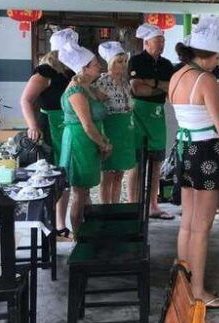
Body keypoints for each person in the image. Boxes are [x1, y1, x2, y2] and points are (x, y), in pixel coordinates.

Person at [169, 15, 219, 308]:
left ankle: (183, 283)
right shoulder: (206, 80)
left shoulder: (176, 75)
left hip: (184, 149)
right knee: (203, 226)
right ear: (209, 55)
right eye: (218, 55)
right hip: (207, 152)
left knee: (188, 224)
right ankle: (198, 291)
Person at [19, 27, 77, 238]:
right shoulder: (45, 71)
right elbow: (26, 99)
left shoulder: (71, 70)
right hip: (50, 126)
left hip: (69, 126)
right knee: (50, 176)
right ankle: (47, 223)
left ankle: (61, 223)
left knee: (66, 176)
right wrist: (32, 125)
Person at [57, 42, 112, 233]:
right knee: (79, 192)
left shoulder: (86, 87)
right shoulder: (76, 91)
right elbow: (87, 125)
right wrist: (103, 144)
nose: (100, 67)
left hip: (88, 141)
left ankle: (85, 230)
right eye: (96, 64)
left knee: (85, 190)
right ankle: (78, 235)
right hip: (79, 142)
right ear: (84, 68)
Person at [127, 22, 175, 220]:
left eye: (163, 41)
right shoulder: (136, 61)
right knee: (136, 164)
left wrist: (151, 83)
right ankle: (133, 205)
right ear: (147, 42)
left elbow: (170, 88)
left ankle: (153, 205)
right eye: (158, 41)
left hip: (157, 112)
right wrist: (159, 87)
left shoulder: (166, 64)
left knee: (156, 163)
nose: (162, 44)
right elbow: (136, 89)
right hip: (138, 112)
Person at [94, 41, 136, 203]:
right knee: (108, 174)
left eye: (125, 61)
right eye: (120, 61)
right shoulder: (103, 82)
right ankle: (106, 210)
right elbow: (96, 109)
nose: (123, 65)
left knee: (119, 174)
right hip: (110, 129)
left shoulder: (125, 82)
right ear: (110, 62)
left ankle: (116, 207)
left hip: (125, 130)